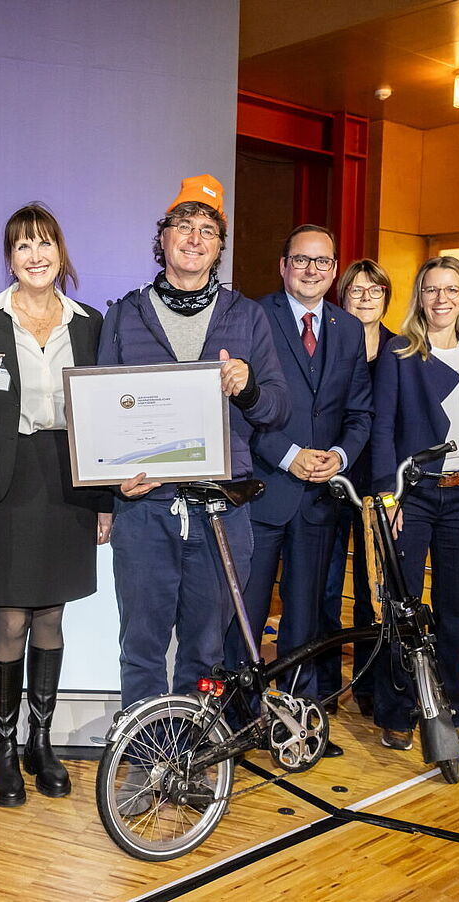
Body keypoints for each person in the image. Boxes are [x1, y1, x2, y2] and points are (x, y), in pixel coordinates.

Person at [98, 174, 288, 711]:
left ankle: (192, 753)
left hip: (219, 509)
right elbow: (98, 414)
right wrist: (113, 482)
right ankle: (145, 759)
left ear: (219, 247)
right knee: (141, 647)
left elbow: (277, 407)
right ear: (162, 238)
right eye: (183, 225)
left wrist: (247, 385)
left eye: (208, 229)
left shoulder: (247, 316)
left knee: (204, 651)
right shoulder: (125, 314)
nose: (194, 237)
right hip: (144, 507)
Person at [0, 203, 112, 807]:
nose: (36, 255)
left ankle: (42, 742)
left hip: (69, 482)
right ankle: (6, 746)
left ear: (61, 253)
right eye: (23, 246)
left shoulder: (91, 324)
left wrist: (105, 503)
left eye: (45, 243)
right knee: (12, 617)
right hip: (4, 486)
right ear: (9, 257)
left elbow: (101, 420)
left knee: (53, 616)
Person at [230, 225, 371, 758]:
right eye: (302, 260)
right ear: (283, 266)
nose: (312, 270)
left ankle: (298, 720)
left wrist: (338, 457)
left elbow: (359, 412)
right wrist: (291, 455)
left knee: (306, 616)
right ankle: (240, 720)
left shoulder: (348, 329)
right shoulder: (254, 317)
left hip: (318, 499)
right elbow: (245, 405)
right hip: (267, 488)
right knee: (244, 614)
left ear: (334, 271)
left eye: (323, 262)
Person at [370, 255, 459, 753]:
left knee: (458, 607)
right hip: (415, 496)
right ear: (420, 298)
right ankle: (398, 710)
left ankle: (454, 707)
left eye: (452, 290)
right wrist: (391, 495)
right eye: (432, 290)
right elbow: (383, 428)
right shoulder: (401, 354)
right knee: (403, 608)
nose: (442, 299)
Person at [318, 259, 396, 716]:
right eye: (357, 291)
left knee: (375, 592)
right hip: (331, 480)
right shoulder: (327, 341)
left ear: (386, 299)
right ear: (341, 296)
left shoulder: (402, 349)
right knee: (325, 589)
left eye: (375, 291)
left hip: (379, 486)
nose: (365, 298)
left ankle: (371, 687)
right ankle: (326, 685)